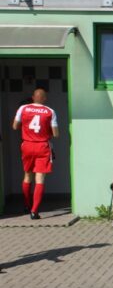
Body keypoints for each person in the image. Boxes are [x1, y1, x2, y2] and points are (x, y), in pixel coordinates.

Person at [12, 88, 59, 219]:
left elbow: (15, 126)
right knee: (40, 178)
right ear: (44, 99)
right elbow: (56, 134)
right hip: (42, 146)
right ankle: (34, 211)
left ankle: (27, 205)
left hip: (27, 145)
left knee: (27, 176)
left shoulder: (23, 108)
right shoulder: (50, 111)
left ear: (33, 97)